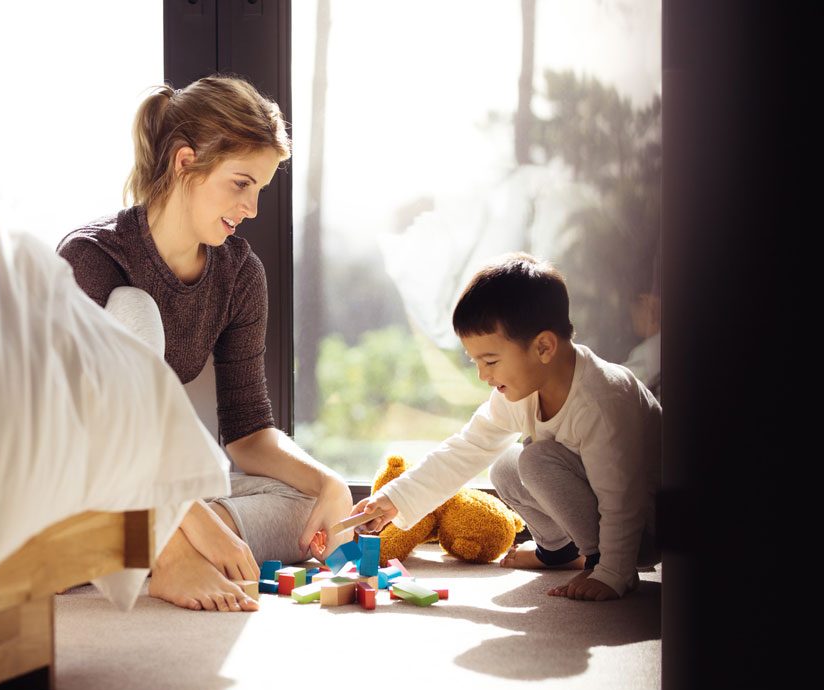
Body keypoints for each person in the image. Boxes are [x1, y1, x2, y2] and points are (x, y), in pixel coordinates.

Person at [57, 76, 351, 612]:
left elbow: (247, 433)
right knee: (133, 309)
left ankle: (161, 541)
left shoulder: (239, 273)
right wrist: (185, 513)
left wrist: (330, 483)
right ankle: (168, 554)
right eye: (241, 183)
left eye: (260, 188)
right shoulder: (90, 257)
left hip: (150, 496)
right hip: (76, 476)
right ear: (185, 162)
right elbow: (88, 427)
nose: (253, 208)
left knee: (305, 503)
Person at [351, 253, 661, 601]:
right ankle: (559, 551)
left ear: (543, 347)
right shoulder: (521, 393)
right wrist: (394, 499)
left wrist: (613, 571)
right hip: (597, 503)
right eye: (476, 363)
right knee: (505, 465)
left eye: (491, 361)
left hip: (644, 527)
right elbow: (465, 450)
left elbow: (622, 498)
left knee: (536, 460)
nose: (483, 376)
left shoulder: (602, 400)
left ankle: (599, 559)